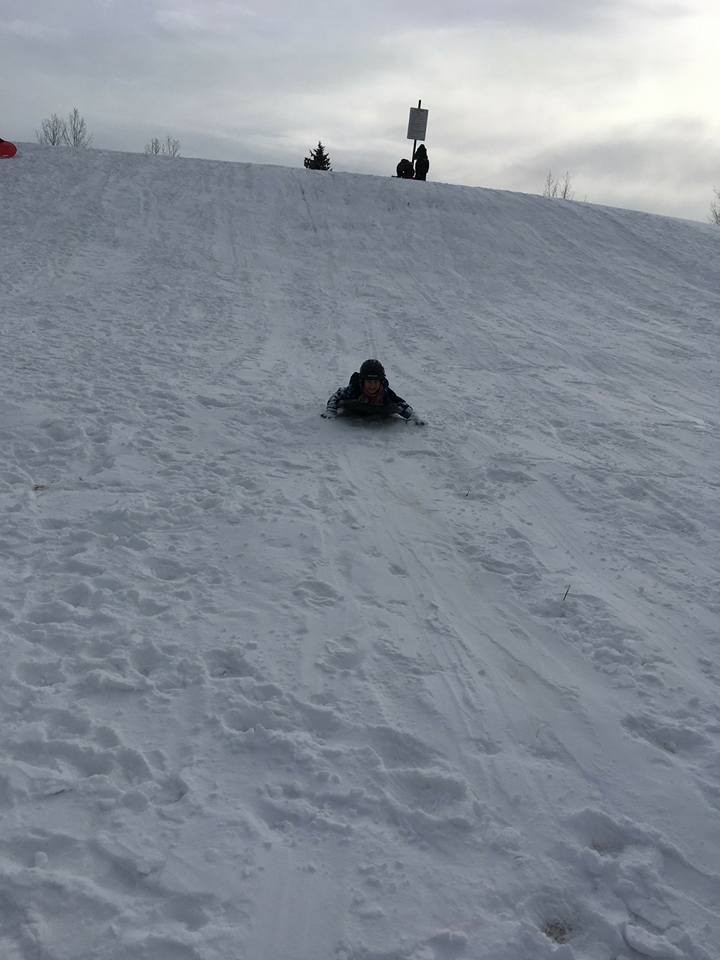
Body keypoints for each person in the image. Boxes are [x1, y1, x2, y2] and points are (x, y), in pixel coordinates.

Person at [322, 359, 425, 424]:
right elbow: (336, 396)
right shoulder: (353, 390)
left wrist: (413, 417)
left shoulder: (385, 394)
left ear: (381, 382)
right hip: (355, 407)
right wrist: (330, 410)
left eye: (376, 381)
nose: (372, 385)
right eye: (369, 381)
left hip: (377, 409)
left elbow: (401, 404)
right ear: (362, 381)